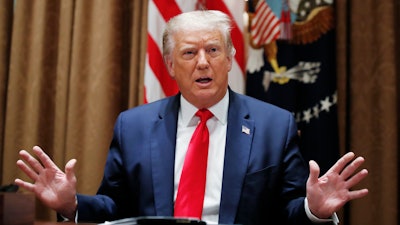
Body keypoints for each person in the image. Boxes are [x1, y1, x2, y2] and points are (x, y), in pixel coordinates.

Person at [14, 10, 368, 225]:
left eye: (213, 50)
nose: (203, 62)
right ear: (170, 65)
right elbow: (114, 207)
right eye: (189, 52)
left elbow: (287, 213)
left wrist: (314, 210)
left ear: (229, 59)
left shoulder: (274, 126)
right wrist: (71, 204)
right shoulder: (133, 126)